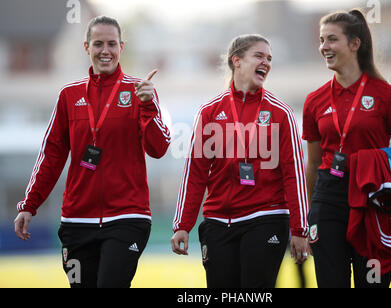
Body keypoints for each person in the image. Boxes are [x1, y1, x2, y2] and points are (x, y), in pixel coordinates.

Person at [13, 16, 171, 288]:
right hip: (77, 222)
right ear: (86, 47)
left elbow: (158, 149)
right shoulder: (69, 96)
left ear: (121, 46)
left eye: (111, 43)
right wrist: (30, 204)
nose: (105, 50)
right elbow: (51, 156)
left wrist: (147, 106)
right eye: (98, 43)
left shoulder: (139, 92)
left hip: (127, 218)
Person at [171, 34, 310, 288]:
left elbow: (294, 175)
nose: (266, 63)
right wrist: (182, 224)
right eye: (259, 56)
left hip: (265, 218)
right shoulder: (209, 112)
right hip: (218, 223)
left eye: (269, 58)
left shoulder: (282, 113)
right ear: (237, 60)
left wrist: (300, 228)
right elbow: (195, 173)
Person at [302, 9, 391, 288]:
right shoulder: (314, 100)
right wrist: (307, 215)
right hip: (328, 199)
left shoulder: (387, 95)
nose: (324, 47)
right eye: (321, 40)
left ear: (355, 43)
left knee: (372, 283)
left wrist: (389, 185)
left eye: (332, 39)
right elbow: (313, 164)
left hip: (372, 198)